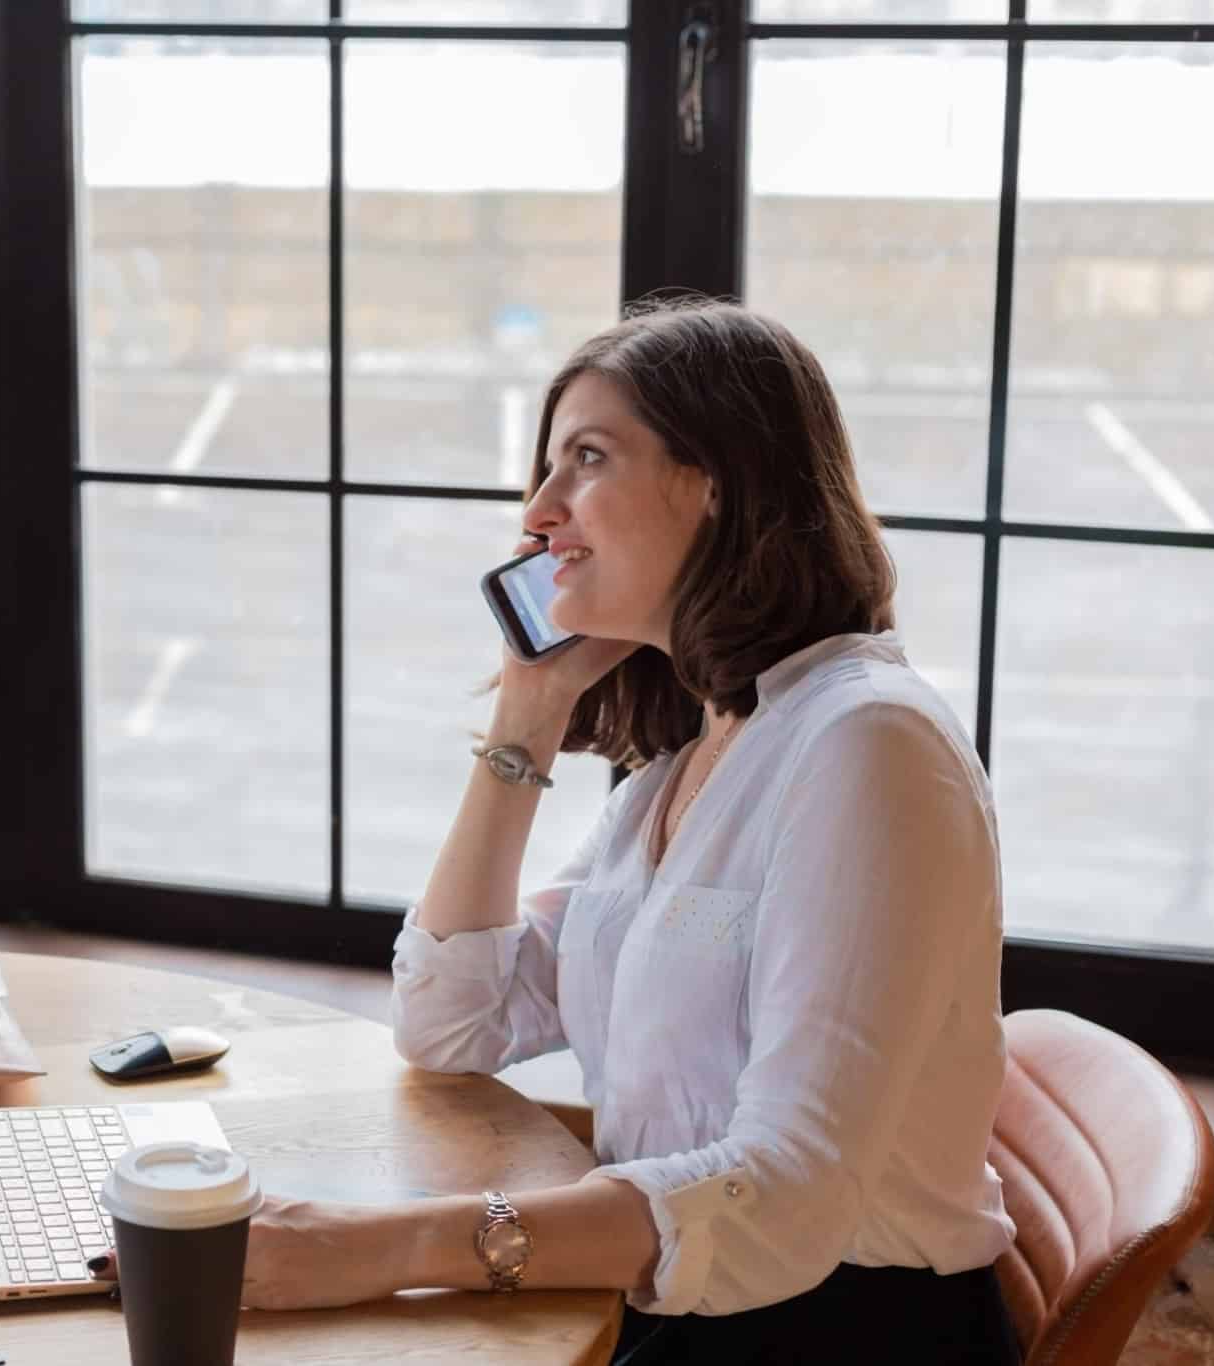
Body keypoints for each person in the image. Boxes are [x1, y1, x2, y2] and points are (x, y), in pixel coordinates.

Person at [95, 298, 1024, 1364]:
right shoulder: (690, 759)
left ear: (716, 482)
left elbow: (788, 1195)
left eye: (584, 458)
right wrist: (525, 715)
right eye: (544, 470)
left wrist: (374, 1246)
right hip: (681, 1303)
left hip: (830, 1333)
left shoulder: (868, 745)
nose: (537, 512)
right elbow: (451, 1018)